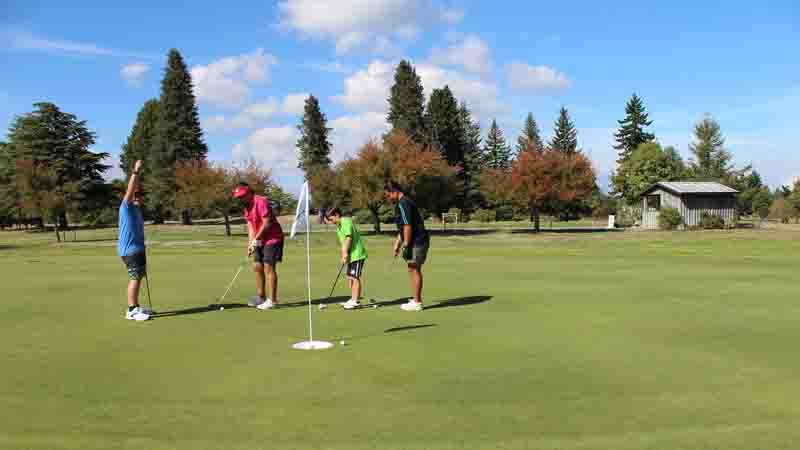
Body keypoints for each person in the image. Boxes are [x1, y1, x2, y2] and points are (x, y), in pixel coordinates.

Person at [233, 182, 284, 310]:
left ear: (249, 192)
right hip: (260, 239)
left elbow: (267, 223)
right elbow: (251, 226)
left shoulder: (261, 201)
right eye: (238, 197)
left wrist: (257, 238)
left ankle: (272, 301)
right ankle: (261, 297)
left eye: (242, 196)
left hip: (273, 238)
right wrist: (250, 243)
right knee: (257, 266)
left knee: (268, 267)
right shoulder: (247, 207)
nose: (240, 199)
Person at [384, 181, 430, 311]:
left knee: (414, 268)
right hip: (415, 241)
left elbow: (408, 225)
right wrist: (398, 243)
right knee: (412, 268)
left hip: (417, 241)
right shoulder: (404, 202)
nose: (388, 198)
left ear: (394, 192)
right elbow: (403, 227)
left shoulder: (403, 203)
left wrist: (406, 244)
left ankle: (417, 302)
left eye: (388, 195)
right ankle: (416, 299)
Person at [118, 160, 150, 321]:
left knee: (138, 277)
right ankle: (131, 310)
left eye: (140, 195)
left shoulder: (137, 210)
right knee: (135, 278)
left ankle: (136, 307)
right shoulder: (126, 207)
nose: (137, 197)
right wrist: (135, 172)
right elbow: (130, 191)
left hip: (137, 249)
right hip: (129, 250)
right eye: (135, 195)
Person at [325, 207, 368, 309]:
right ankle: (352, 298)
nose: (331, 222)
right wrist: (343, 255)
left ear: (337, 215)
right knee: (350, 277)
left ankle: (355, 301)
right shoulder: (339, 227)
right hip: (351, 255)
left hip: (357, 254)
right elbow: (343, 243)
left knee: (354, 277)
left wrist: (344, 253)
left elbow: (349, 238)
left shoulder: (346, 221)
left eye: (331, 219)